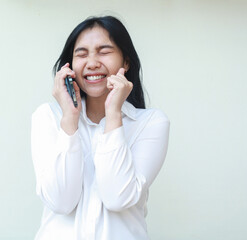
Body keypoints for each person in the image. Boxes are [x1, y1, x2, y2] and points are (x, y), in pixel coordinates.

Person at [31, 15, 170, 240]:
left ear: (126, 61)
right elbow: (61, 201)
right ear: (69, 66)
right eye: (82, 54)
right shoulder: (47, 117)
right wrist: (69, 119)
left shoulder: (151, 123)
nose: (92, 62)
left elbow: (118, 197)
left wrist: (114, 114)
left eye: (104, 51)